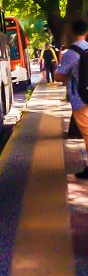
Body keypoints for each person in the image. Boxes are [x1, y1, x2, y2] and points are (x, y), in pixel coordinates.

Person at [54, 19, 88, 178]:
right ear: (86, 32)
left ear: (73, 32)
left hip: (80, 99)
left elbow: (59, 76)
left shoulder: (71, 53)